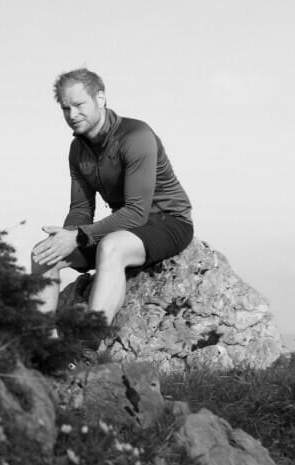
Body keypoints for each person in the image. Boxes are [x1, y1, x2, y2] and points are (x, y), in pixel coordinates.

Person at [31, 68, 195, 323]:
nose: (72, 115)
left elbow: (137, 212)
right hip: (125, 225)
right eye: (65, 108)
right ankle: (44, 348)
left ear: (100, 98)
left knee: (112, 246)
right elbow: (81, 209)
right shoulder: (77, 150)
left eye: (78, 104)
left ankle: (88, 344)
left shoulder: (135, 136)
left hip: (169, 221)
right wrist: (66, 238)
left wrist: (79, 236)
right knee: (42, 254)